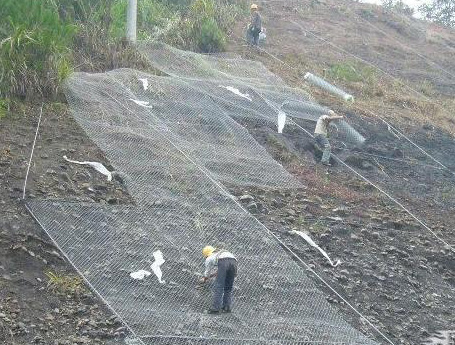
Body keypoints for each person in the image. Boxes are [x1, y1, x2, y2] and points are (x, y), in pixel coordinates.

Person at [199, 245, 237, 314]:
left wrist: (205, 278)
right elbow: (220, 270)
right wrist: (214, 274)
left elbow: (207, 271)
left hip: (223, 262)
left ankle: (215, 309)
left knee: (218, 286)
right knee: (228, 287)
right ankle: (226, 307)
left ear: (206, 255)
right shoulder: (219, 253)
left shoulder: (209, 258)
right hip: (234, 261)